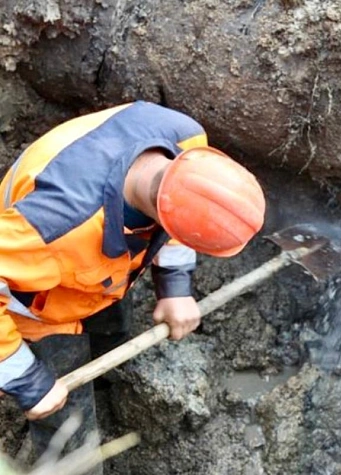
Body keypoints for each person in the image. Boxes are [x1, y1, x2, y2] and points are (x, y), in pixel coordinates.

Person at [0, 101, 266, 467]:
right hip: (38, 304)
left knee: (113, 337)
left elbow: (182, 214)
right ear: (164, 216)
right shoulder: (56, 225)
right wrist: (28, 381)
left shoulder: (187, 142)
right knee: (68, 431)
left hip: (103, 275)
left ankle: (110, 391)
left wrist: (174, 285)